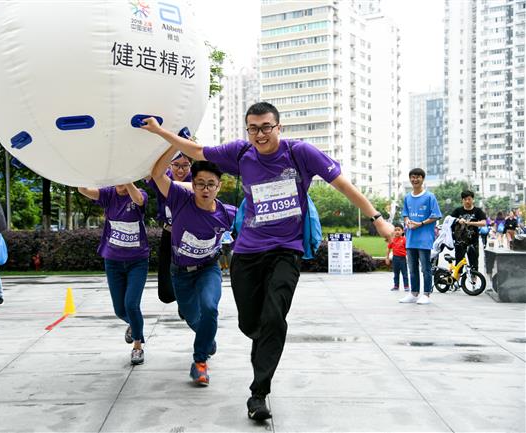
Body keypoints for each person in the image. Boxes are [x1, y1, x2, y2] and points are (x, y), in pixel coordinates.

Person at [139, 101, 393, 421]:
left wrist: (377, 218)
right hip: (247, 253)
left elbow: (342, 183)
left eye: (266, 127)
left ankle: (258, 393)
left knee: (274, 318)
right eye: (253, 128)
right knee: (252, 325)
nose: (260, 134)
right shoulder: (241, 153)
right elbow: (198, 151)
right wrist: (161, 132)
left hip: (286, 250)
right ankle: (265, 343)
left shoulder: (300, 153)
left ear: (279, 127)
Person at [150, 146, 236, 386]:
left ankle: (200, 363)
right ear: (192, 184)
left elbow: (253, 231)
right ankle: (207, 338)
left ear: (218, 186)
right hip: (181, 274)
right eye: (200, 184)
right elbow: (157, 175)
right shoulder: (179, 199)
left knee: (210, 307)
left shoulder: (228, 214)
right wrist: (175, 145)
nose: (205, 189)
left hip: (209, 269)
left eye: (211, 184)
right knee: (192, 318)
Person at [78, 183, 149, 365]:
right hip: (113, 261)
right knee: (120, 310)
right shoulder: (108, 194)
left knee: (131, 304)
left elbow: (139, 200)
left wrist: (128, 181)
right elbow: (84, 190)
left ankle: (137, 347)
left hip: (137, 261)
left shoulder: (138, 193)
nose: (120, 184)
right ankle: (135, 325)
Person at [145, 152, 193, 303]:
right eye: (176, 165)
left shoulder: (197, 181)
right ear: (169, 165)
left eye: (185, 165)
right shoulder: (161, 176)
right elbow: (145, 173)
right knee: (165, 294)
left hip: (190, 237)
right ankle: (180, 298)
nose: (180, 170)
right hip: (169, 234)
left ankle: (187, 303)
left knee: (190, 275)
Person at [400, 168, 442, 305]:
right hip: (411, 238)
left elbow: (435, 216)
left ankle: (426, 294)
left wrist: (421, 223)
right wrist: (407, 221)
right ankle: (414, 293)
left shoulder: (430, 197)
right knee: (412, 268)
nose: (415, 179)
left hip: (424, 239)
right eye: (412, 177)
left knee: (425, 268)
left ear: (423, 179)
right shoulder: (407, 197)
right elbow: (405, 214)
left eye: (418, 177)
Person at [450, 190, 486, 274]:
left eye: (469, 199)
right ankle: (457, 283)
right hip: (460, 241)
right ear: (462, 200)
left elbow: (483, 223)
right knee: (459, 263)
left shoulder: (477, 211)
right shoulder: (458, 211)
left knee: (474, 263)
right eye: (465, 199)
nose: (467, 201)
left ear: (472, 199)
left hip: (473, 242)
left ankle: (474, 284)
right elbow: (449, 219)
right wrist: (458, 220)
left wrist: (470, 223)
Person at [385, 224, 409, 291]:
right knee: (396, 274)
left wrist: (408, 257)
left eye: (399, 230)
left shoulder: (404, 240)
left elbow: (407, 249)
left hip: (402, 259)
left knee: (405, 273)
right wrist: (387, 258)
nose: (397, 231)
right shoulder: (392, 240)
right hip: (395, 258)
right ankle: (396, 286)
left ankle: (406, 286)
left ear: (402, 231)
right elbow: (388, 249)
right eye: (395, 230)